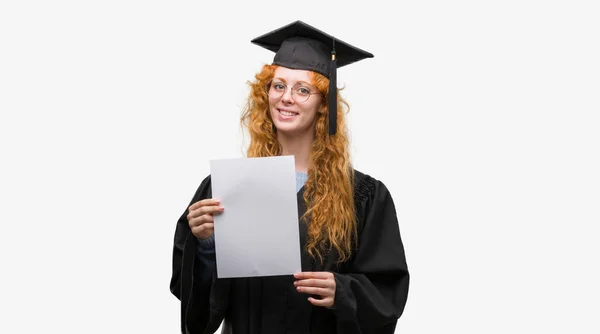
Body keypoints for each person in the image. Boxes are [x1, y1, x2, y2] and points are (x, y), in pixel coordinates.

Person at [170, 20, 409, 334]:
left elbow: (387, 292)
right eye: (278, 85)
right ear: (265, 93)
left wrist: (343, 291)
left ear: (324, 106)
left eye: (303, 90)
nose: (286, 97)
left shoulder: (363, 196)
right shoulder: (227, 188)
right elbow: (198, 307)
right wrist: (205, 246)